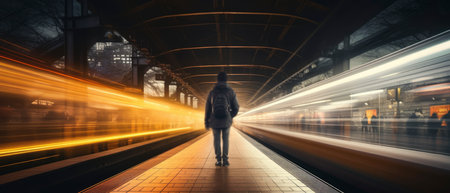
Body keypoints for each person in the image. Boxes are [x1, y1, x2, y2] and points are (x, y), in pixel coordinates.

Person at [204, 72, 239, 166]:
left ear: (217, 80)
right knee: (225, 139)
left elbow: (207, 108)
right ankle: (226, 160)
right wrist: (230, 115)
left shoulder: (212, 92)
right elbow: (236, 107)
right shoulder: (230, 91)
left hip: (214, 120)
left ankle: (218, 160)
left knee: (216, 140)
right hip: (226, 121)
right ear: (226, 80)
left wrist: (206, 121)